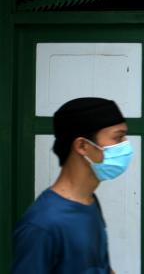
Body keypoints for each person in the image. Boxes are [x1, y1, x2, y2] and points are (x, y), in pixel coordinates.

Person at [12, 97, 133, 274]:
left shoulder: (90, 201)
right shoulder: (42, 224)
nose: (126, 145)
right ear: (82, 146)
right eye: (118, 137)